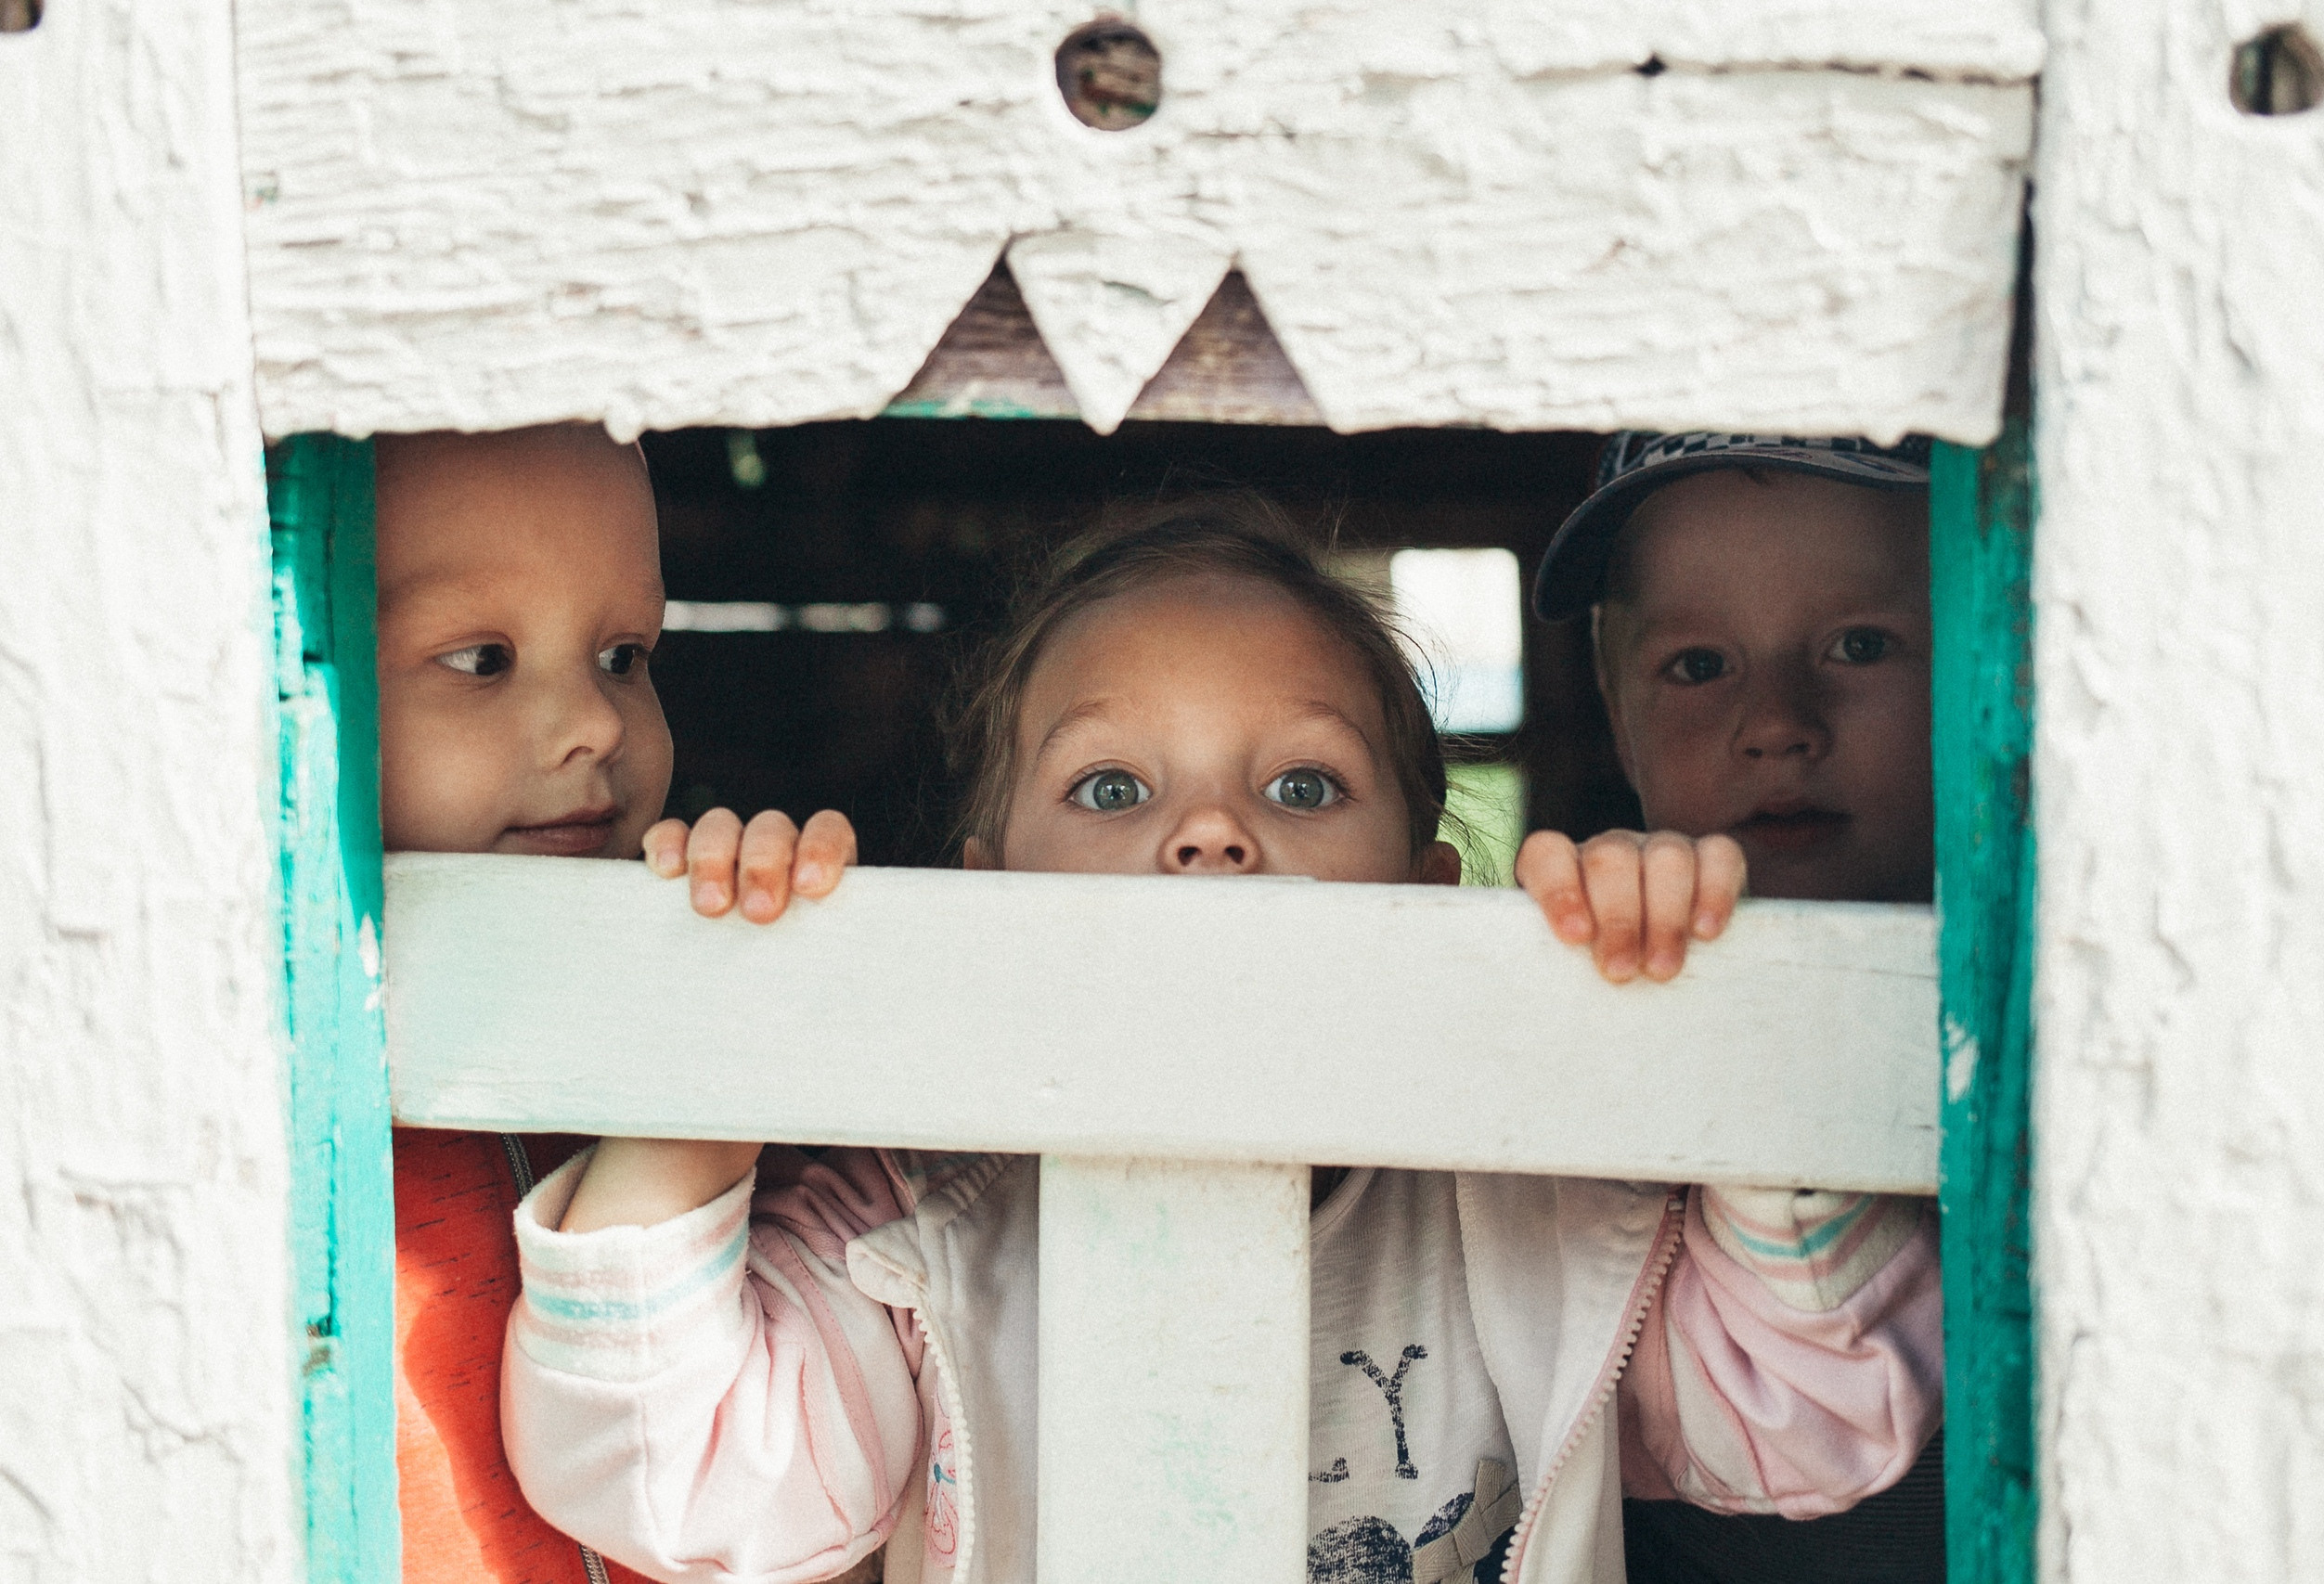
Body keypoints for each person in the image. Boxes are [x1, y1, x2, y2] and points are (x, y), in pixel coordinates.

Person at [499, 498, 1941, 1584]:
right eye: (1114, 782)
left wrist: (1707, 1029)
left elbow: (1814, 1423)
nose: (1208, 831)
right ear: (986, 894)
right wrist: (718, 1029)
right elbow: (674, 1481)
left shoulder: (1551, 1198)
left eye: (1303, 779)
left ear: (1432, 893)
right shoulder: (914, 1223)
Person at [375, 424, 855, 1584]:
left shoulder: (674, 931)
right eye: (483, 659)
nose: (595, 722)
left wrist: (751, 930)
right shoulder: (207, 1021)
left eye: (625, 656)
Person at [1517, 431, 1945, 1583]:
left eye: (1859, 645)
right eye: (1699, 666)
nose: (1777, 721)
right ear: (1616, 720)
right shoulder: (1597, 948)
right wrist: (1605, 936)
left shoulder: (2080, 964)